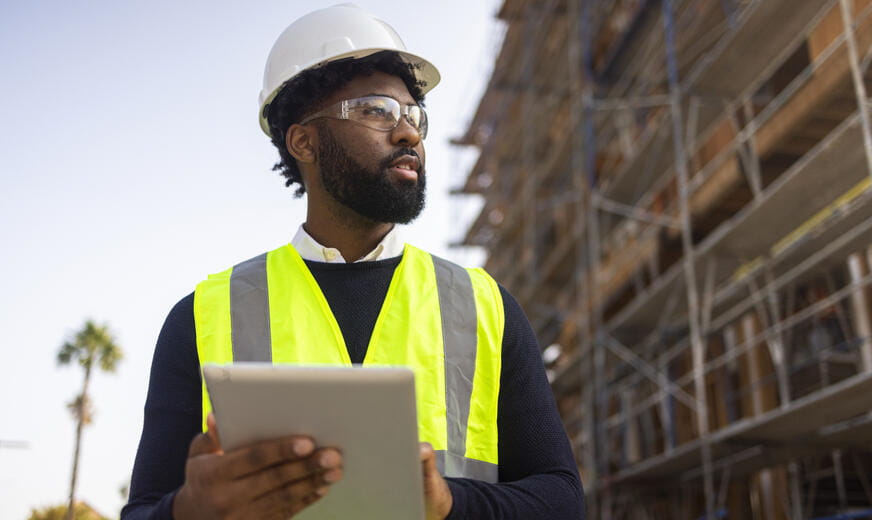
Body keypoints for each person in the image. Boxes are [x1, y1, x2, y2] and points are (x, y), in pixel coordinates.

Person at [122, 5, 583, 519]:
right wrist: (188, 510)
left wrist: (450, 503)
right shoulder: (203, 316)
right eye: (377, 110)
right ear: (303, 141)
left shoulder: (485, 306)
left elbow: (562, 501)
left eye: (414, 115)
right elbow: (143, 510)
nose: (408, 133)